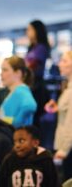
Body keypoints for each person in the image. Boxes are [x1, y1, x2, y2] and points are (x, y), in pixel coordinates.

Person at [44, 50, 72, 180]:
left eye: (64, 61)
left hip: (68, 149)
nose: (60, 64)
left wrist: (64, 150)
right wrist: (57, 108)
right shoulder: (68, 88)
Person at [0, 56, 37, 128]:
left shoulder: (21, 91)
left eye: (5, 70)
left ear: (18, 73)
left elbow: (30, 106)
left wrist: (15, 123)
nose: (1, 74)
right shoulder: (16, 91)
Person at [25, 20, 51, 127]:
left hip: (37, 85)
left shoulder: (41, 47)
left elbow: (32, 65)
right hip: (30, 83)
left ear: (36, 31)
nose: (27, 32)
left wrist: (23, 67)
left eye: (29, 29)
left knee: (35, 118)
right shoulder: (32, 47)